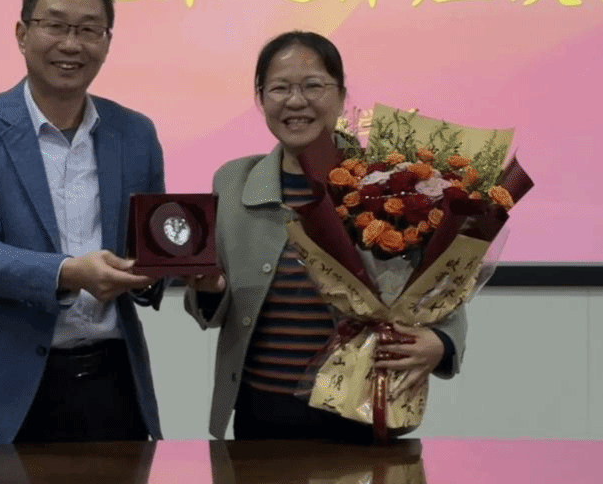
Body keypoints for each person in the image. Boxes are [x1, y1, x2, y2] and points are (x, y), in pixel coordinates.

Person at [0, 0, 165, 445]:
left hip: (112, 384)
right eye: (56, 26)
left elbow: (147, 245)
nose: (71, 44)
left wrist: (174, 267)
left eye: (89, 30)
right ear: (22, 34)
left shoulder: (135, 133)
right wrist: (71, 273)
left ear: (107, 42)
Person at [185, 30, 467, 441]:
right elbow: (212, 305)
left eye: (313, 86)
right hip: (261, 413)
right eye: (279, 88)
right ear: (260, 98)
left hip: (363, 410)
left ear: (341, 95)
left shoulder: (387, 183)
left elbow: (443, 285)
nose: (295, 101)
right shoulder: (232, 182)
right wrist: (211, 290)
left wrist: (441, 344)